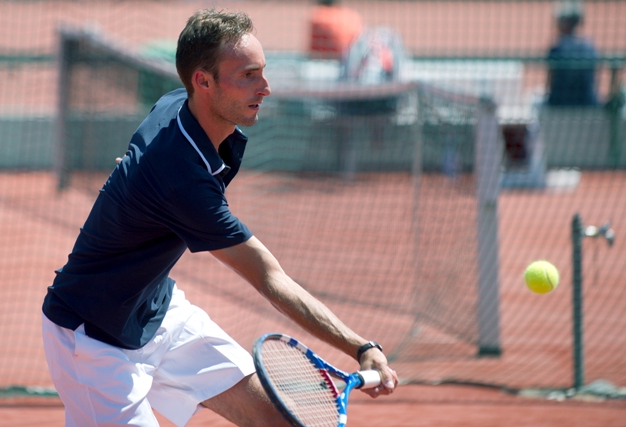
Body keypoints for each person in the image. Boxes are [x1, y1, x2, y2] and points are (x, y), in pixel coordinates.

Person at [41, 9, 398, 427]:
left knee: (278, 420)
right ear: (203, 81)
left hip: (157, 312)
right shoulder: (183, 182)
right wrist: (361, 347)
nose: (265, 88)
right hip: (94, 343)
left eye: (262, 71)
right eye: (247, 75)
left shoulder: (178, 105)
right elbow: (271, 280)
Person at [546, 1, 598, 106]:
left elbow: (550, 83)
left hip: (560, 106)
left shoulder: (557, 48)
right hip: (588, 105)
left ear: (567, 22)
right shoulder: (590, 46)